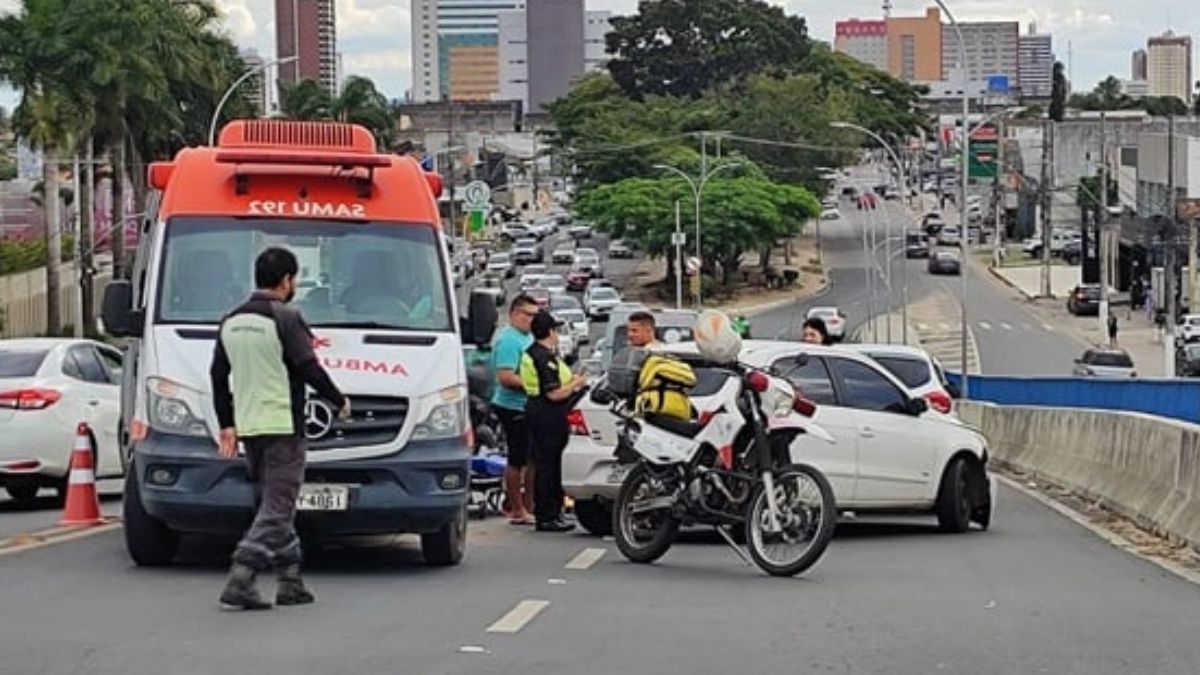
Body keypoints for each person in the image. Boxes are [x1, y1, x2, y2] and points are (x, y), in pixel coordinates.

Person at [210, 247, 349, 611]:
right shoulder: (285, 316)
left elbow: (218, 375)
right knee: (278, 506)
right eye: (294, 280)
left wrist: (227, 422)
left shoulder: (231, 320)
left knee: (274, 507)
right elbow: (308, 366)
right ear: (287, 281)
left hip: (250, 426)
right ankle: (242, 574)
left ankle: (290, 582)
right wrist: (338, 400)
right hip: (283, 425)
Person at [520, 311, 588, 532]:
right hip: (547, 413)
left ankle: (552, 513)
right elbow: (554, 393)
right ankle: (548, 516)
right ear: (550, 332)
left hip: (540, 411)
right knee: (549, 465)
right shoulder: (543, 357)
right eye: (556, 330)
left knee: (547, 463)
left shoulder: (535, 352)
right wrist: (576, 384)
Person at [491, 295, 539, 525]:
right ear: (513, 314)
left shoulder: (528, 338)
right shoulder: (510, 341)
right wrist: (534, 384)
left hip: (529, 406)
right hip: (512, 406)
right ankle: (517, 509)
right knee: (517, 458)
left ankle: (529, 506)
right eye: (527, 314)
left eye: (534, 315)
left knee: (532, 458)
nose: (531, 319)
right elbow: (505, 376)